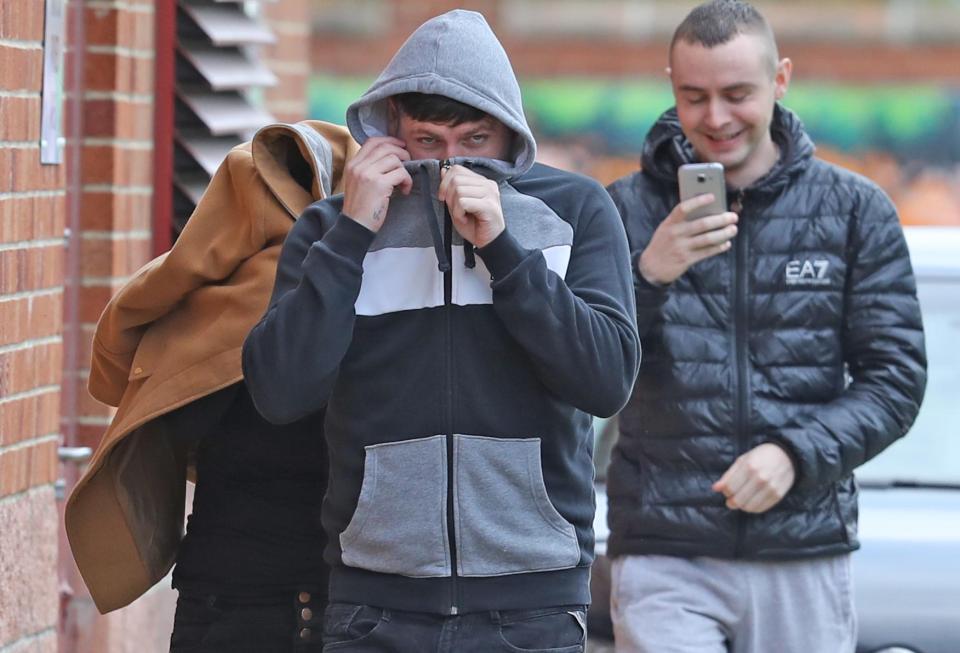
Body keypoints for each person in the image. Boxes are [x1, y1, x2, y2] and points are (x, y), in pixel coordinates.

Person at [242, 9, 640, 653]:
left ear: (510, 134)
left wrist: (506, 253)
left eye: (475, 142)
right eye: (429, 142)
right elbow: (280, 392)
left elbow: (606, 380)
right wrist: (352, 234)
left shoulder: (575, 211)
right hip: (374, 602)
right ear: (391, 127)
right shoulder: (330, 229)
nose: (452, 167)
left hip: (532, 601)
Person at [604, 1, 926, 652]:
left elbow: (895, 379)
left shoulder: (855, 210)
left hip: (802, 547)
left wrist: (795, 454)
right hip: (663, 549)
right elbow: (584, 371)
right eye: (694, 96)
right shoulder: (620, 211)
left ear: (780, 80)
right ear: (671, 84)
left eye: (736, 94)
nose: (716, 117)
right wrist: (648, 275)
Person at [65, 121, 359, 652]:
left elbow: (117, 382)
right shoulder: (353, 294)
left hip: (216, 587)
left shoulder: (177, 296)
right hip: (318, 592)